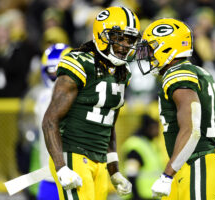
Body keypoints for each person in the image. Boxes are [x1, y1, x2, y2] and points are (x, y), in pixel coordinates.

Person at [42, 6, 141, 200]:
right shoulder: (80, 63)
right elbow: (50, 120)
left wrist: (114, 170)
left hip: (99, 161)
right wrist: (61, 167)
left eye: (129, 39)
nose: (124, 45)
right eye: (119, 37)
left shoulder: (122, 73)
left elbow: (108, 124)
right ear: (102, 35)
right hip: (74, 154)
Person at [134, 18, 215, 199]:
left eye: (151, 48)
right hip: (193, 162)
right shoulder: (195, 71)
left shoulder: (178, 74)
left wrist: (166, 175)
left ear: (167, 47)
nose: (148, 54)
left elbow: (192, 129)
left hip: (198, 162)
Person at [33, 43, 72, 200]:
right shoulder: (44, 97)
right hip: (57, 176)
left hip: (66, 174)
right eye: (52, 72)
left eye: (59, 72)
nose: (56, 77)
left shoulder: (42, 97)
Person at [121, 114, 166, 200]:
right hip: (139, 196)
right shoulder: (135, 146)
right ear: (147, 128)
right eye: (154, 128)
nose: (157, 131)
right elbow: (131, 174)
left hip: (151, 195)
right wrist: (136, 196)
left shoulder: (151, 143)